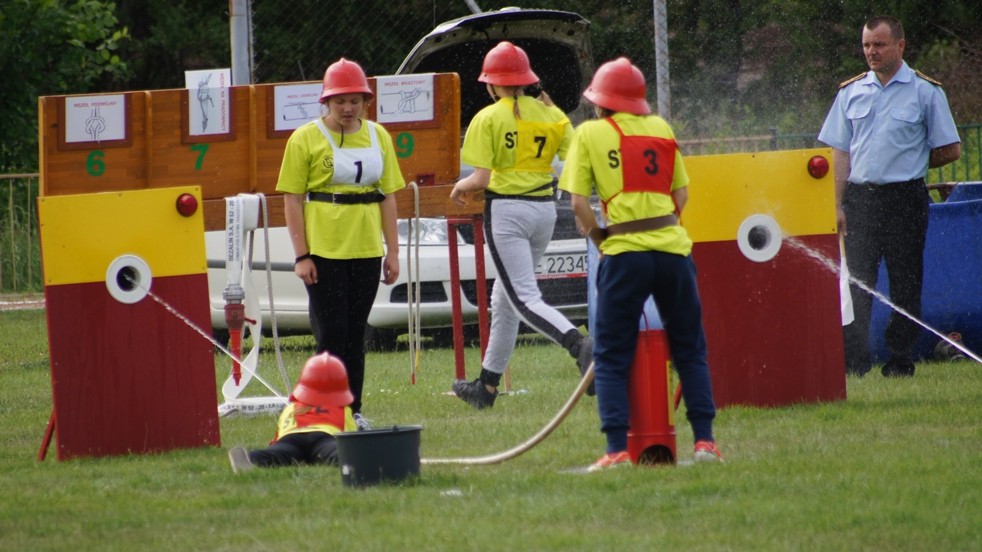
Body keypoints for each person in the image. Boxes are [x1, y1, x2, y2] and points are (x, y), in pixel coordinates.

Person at [558, 57, 722, 469]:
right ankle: (705, 444)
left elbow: (579, 203)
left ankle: (615, 449)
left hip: (624, 254)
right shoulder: (662, 129)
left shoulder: (590, 132)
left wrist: (601, 238)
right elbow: (681, 197)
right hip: (673, 252)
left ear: (600, 102)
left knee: (613, 353)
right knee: (689, 350)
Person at [449, 41, 593, 409]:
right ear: (528, 81)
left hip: (507, 213)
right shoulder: (552, 116)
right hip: (544, 211)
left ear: (491, 85)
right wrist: (555, 112)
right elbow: (574, 157)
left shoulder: (487, 118)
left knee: (523, 297)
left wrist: (459, 187)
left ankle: (580, 346)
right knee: (504, 300)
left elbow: (480, 180)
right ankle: (486, 386)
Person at [818, 15, 961, 378]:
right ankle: (854, 363)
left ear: (900, 45)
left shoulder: (925, 92)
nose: (871, 52)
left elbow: (951, 149)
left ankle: (899, 360)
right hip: (860, 200)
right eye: (866, 45)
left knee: (905, 282)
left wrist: (913, 159)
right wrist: (835, 204)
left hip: (905, 199)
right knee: (857, 283)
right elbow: (840, 152)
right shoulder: (850, 92)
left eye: (879, 44)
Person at [276, 58, 405, 426]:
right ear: (326, 103)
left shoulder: (380, 136)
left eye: (355, 101)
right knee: (331, 335)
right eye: (339, 102)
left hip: (366, 250)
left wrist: (392, 251)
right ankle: (322, 412)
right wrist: (302, 255)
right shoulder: (304, 138)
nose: (348, 109)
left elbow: (388, 196)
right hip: (325, 251)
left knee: (355, 334)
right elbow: (291, 199)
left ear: (365, 101)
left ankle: (353, 410)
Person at [228, 352, 357, 473]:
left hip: (290, 438)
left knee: (276, 454)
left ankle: (251, 458)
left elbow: (277, 438)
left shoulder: (291, 408)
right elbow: (350, 438)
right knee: (335, 453)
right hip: (324, 438)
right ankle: (350, 461)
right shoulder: (343, 410)